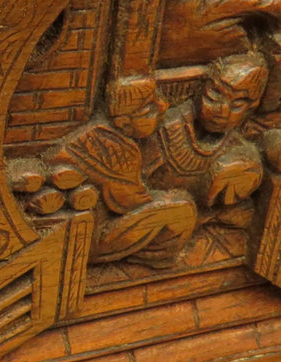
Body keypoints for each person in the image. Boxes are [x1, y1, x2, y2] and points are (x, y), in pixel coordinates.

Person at [44, 75, 196, 267]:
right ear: (124, 122)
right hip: (93, 240)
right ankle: (151, 260)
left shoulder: (95, 136)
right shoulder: (114, 147)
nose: (163, 106)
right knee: (182, 211)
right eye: (150, 107)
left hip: (77, 233)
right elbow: (130, 203)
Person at [146, 53, 268, 225]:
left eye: (237, 104)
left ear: (251, 108)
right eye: (216, 94)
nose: (222, 111)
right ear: (202, 88)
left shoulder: (238, 155)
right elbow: (131, 196)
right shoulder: (166, 131)